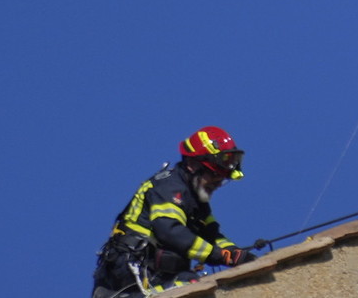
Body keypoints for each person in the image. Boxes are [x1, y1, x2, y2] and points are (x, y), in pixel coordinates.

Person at [92, 126, 257, 298]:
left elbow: (212, 235)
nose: (217, 183)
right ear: (193, 165)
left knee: (192, 285)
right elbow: (170, 230)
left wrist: (238, 255)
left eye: (221, 179)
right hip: (130, 270)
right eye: (214, 175)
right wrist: (216, 255)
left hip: (156, 273)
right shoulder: (170, 186)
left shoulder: (197, 201)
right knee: (190, 289)